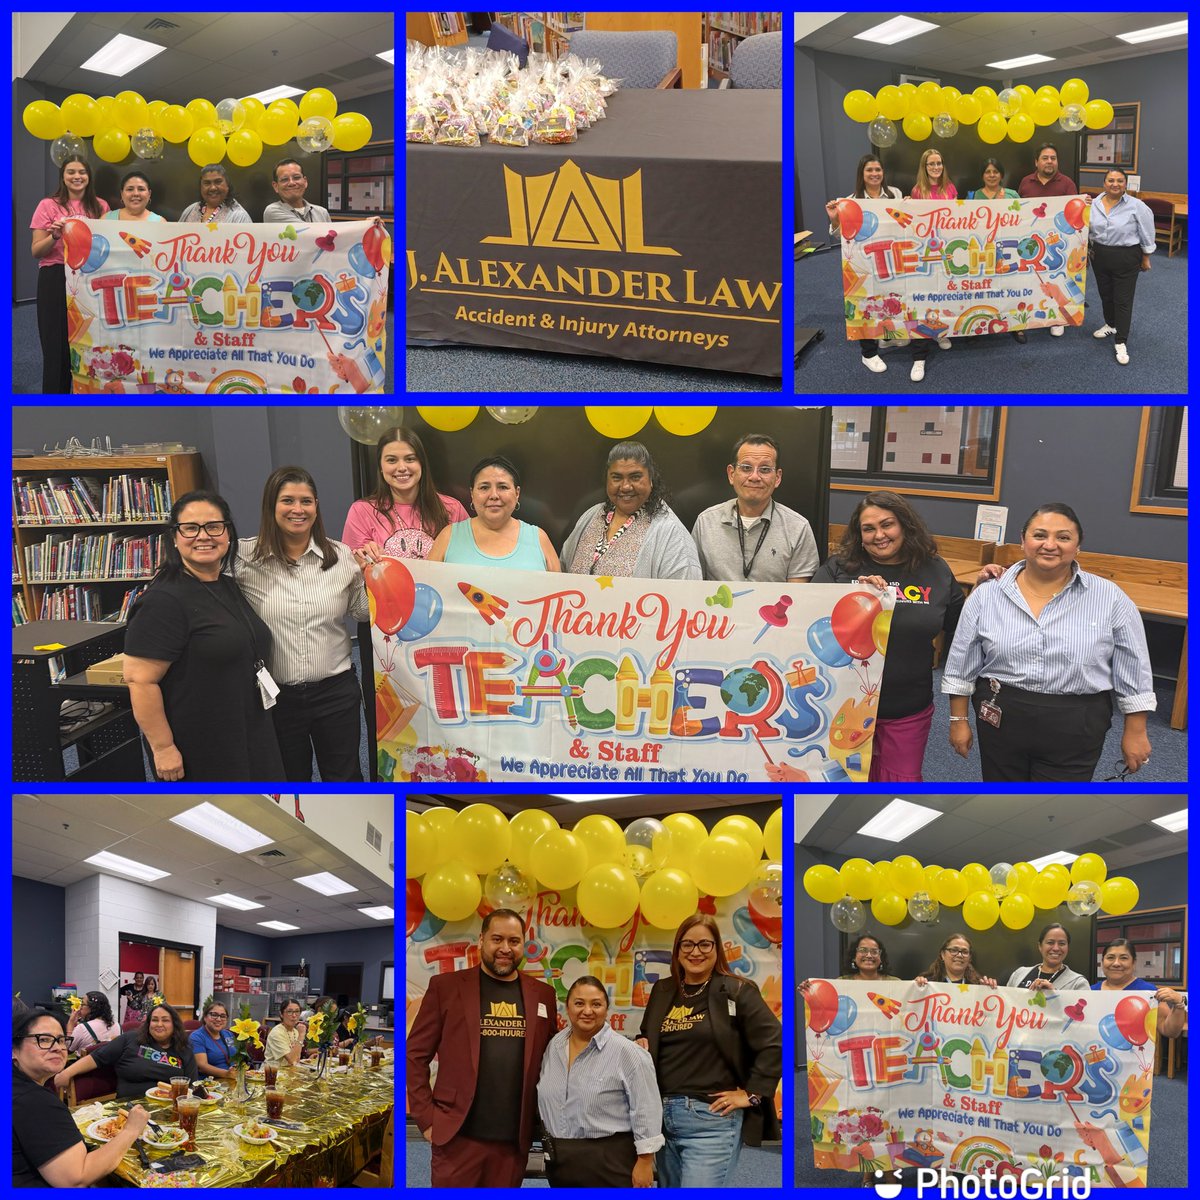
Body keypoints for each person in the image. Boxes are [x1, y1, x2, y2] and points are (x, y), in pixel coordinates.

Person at [942, 503, 1154, 781]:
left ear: (1078, 546)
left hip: (1078, 721)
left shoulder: (1110, 597)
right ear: (1023, 540)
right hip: (1001, 713)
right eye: (1039, 535)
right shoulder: (987, 595)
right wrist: (958, 721)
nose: (1050, 545)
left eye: (1063, 537)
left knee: (1058, 805)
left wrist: (1136, 731)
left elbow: (1134, 669)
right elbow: (961, 663)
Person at [123, 490, 285, 782]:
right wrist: (163, 748)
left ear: (227, 533)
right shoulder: (163, 600)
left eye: (213, 526)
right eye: (190, 528)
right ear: (174, 537)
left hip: (246, 727)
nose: (203, 536)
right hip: (200, 744)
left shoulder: (224, 584)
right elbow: (140, 680)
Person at [806, 492, 963, 782]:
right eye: (868, 529)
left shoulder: (935, 570)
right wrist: (853, 597)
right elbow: (809, 624)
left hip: (907, 709)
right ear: (859, 534)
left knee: (897, 792)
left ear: (904, 524)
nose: (879, 535)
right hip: (843, 709)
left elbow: (960, 627)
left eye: (887, 524)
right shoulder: (840, 569)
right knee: (839, 791)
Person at [406, 909, 558, 1188]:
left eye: (514, 941)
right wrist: (426, 1119)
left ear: (523, 944)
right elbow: (414, 1055)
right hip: (457, 1137)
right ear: (481, 940)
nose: (505, 948)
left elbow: (553, 1058)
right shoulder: (446, 987)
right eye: (497, 939)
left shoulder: (543, 995)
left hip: (512, 1143)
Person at [237, 466, 370, 782]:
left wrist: (371, 576)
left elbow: (363, 613)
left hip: (336, 693)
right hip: (275, 697)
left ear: (316, 506)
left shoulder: (342, 557)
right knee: (288, 781)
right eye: (287, 501)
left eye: (306, 501)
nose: (298, 510)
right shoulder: (244, 559)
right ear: (272, 506)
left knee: (345, 778)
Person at [638, 914, 782, 1187]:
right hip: (662, 1123)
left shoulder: (737, 990)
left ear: (717, 948)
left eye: (705, 944)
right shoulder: (663, 989)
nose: (695, 952)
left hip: (711, 1122)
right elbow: (650, 1034)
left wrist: (752, 1094)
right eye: (687, 945)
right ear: (678, 949)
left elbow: (775, 1042)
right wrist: (641, 1042)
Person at [536, 976, 663, 1188]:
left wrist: (645, 1161)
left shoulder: (628, 1053)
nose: (587, 1010)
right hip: (561, 1160)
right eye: (579, 1003)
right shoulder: (554, 1046)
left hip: (610, 1161)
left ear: (606, 1008)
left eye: (596, 1004)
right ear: (567, 1007)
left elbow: (646, 1108)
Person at [13, 1008, 150, 1186]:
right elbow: (77, 1178)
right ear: (13, 1049)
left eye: (61, 1040)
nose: (58, 1048)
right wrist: (131, 1130)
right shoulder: (34, 1101)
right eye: (44, 1040)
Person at [561, 442, 701, 580]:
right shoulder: (591, 515)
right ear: (607, 480)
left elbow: (684, 597)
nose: (626, 486)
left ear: (651, 479)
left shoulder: (672, 534)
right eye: (617, 477)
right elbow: (562, 570)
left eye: (635, 477)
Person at [29, 155, 110, 392]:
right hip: (54, 276)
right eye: (71, 172)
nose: (77, 177)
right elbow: (35, 251)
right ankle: (55, 399)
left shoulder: (101, 206)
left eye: (82, 172)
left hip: (89, 278)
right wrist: (53, 236)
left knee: (90, 341)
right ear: (63, 177)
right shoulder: (47, 205)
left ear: (89, 176)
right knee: (55, 342)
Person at [690, 434, 818, 583]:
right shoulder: (705, 522)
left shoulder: (798, 528)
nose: (755, 477)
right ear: (732, 474)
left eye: (764, 469)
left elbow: (796, 598)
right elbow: (695, 587)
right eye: (746, 468)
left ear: (777, 478)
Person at [825, 155, 905, 376]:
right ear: (862, 174)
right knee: (864, 303)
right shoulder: (851, 201)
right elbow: (841, 235)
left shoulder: (894, 194)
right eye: (869, 170)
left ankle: (887, 335)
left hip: (889, 257)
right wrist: (834, 218)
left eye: (878, 169)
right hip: (863, 262)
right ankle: (868, 352)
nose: (874, 174)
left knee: (892, 297)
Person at [342, 426, 468, 566]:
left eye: (410, 459)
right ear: (381, 468)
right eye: (391, 460)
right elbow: (352, 570)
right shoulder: (362, 511)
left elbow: (470, 561)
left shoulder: (452, 508)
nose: (402, 467)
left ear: (422, 464)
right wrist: (365, 559)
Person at [428, 456, 560, 571]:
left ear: (517, 493)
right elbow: (427, 590)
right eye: (484, 487)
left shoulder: (539, 539)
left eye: (503, 487)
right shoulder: (449, 536)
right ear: (472, 493)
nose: (494, 495)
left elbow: (558, 593)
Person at [53, 1002, 198, 1099]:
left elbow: (191, 1085)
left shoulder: (184, 1049)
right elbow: (96, 1058)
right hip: (130, 1107)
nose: (159, 1024)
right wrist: (66, 1073)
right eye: (154, 1020)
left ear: (174, 1025)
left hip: (170, 1109)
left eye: (165, 1020)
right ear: (148, 1023)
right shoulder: (130, 1039)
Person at [1088, 167, 1155, 366]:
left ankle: (1121, 341)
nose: (1115, 184)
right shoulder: (1093, 204)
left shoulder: (1137, 206)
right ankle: (1111, 324)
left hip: (1127, 256)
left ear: (1125, 184)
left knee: (1122, 300)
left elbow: (1147, 232)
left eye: (1119, 180)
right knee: (1106, 294)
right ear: (1104, 183)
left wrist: (1146, 257)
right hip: (1099, 255)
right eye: (1110, 180)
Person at [1017, 144, 1077, 338]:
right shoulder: (1026, 182)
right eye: (1045, 158)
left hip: (1056, 244)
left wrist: (1083, 205)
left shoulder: (1067, 183)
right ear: (1037, 162)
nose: (1049, 161)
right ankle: (1029, 314)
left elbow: (1074, 212)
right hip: (1031, 243)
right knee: (1030, 279)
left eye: (1053, 158)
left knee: (1056, 279)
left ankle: (1058, 319)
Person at [1092, 938, 1187, 1038]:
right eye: (1110, 957)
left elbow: (1169, 1031)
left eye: (1123, 958)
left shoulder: (1149, 992)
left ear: (1134, 963)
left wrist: (1179, 1004)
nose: (1116, 963)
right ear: (1102, 962)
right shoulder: (1090, 991)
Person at [1005, 923, 1090, 993]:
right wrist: (992, 990)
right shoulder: (1019, 974)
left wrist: (1054, 995)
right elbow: (1005, 1005)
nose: (1056, 948)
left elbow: (1085, 1012)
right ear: (1040, 946)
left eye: (1062, 943)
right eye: (1050, 942)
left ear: (1068, 947)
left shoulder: (1078, 983)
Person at [914, 933, 997, 988]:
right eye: (954, 950)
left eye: (965, 952)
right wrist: (915, 988)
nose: (959, 955)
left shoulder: (978, 985)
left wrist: (988, 990)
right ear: (943, 954)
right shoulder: (928, 983)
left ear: (969, 958)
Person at [263, 158, 331, 223]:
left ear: (305, 182)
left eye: (296, 177)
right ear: (276, 186)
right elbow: (306, 232)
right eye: (284, 179)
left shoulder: (322, 212)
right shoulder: (272, 211)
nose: (291, 183)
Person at [178, 164, 252, 223]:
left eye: (218, 182)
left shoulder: (239, 216)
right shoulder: (191, 210)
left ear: (227, 185)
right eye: (207, 183)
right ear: (201, 187)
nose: (213, 188)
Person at [189, 999, 238, 1081]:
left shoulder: (228, 1034)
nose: (218, 1019)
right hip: (210, 1083)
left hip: (232, 1079)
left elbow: (237, 1057)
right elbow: (202, 1066)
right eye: (214, 1015)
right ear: (205, 1017)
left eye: (223, 1016)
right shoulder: (196, 1037)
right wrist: (226, 1074)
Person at [101, 171, 165, 222]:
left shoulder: (160, 223)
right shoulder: (106, 219)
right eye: (130, 189)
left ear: (149, 194)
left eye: (141, 189)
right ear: (122, 194)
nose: (136, 193)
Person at [264, 998, 308, 1068]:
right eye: (289, 1012)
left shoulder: (295, 1031)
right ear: (281, 1014)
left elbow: (296, 1059)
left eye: (297, 1011)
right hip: (273, 1072)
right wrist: (301, 1035)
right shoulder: (277, 1033)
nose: (294, 1015)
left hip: (289, 1071)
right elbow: (292, 1060)